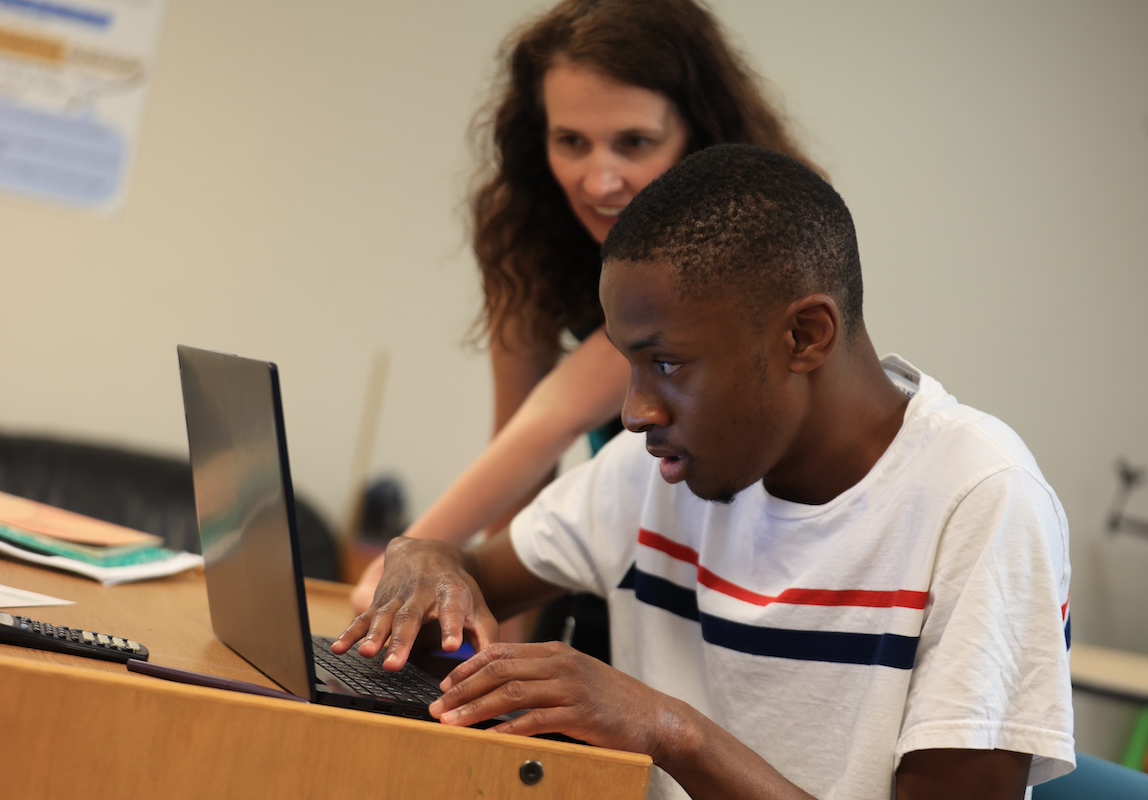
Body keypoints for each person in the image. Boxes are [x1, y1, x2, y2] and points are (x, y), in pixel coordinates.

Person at [335, 144, 1075, 799]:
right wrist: (425, 560)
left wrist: (668, 729)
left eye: (665, 363)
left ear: (804, 335)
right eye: (631, 367)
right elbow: (469, 576)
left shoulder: (982, 500)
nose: (634, 413)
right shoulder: (654, 467)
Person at [350, 0, 818, 659]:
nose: (599, 181)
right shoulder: (527, 230)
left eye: (635, 143)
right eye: (571, 141)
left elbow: (554, 419)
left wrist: (396, 570)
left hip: (750, 570)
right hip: (624, 551)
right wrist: (486, 657)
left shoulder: (742, 243)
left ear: (697, 133)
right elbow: (520, 459)